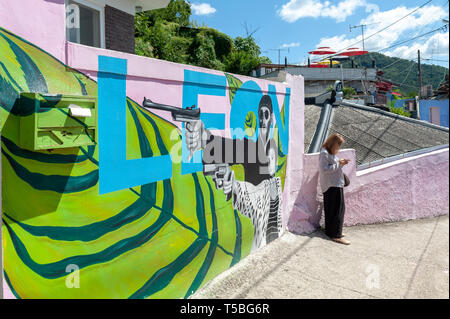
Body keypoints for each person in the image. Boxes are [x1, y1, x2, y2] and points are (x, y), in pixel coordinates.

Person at [319, 133, 351, 245]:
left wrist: (339, 162)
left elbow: (331, 165)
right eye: (338, 145)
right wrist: (340, 164)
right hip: (331, 185)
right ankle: (336, 235)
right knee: (337, 210)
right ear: (333, 143)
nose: (339, 147)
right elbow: (324, 169)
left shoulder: (328, 152)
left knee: (334, 209)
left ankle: (331, 232)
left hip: (335, 184)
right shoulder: (324, 153)